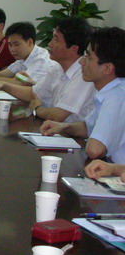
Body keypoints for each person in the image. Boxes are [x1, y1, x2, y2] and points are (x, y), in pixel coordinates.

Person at [0, 17, 95, 123]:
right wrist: (3, 85)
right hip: (54, 130)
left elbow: (58, 115)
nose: (50, 44)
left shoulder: (83, 75)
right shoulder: (57, 68)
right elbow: (33, 93)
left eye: (56, 40)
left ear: (73, 49)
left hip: (72, 138)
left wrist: (36, 109)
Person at [40, 27, 125, 163]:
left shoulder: (116, 97)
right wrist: (63, 126)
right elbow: (88, 127)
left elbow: (95, 150)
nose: (81, 62)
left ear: (107, 68)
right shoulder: (112, 90)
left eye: (89, 57)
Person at [0, 21, 56, 85]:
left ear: (29, 42)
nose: (12, 49)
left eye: (16, 44)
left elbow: (21, 83)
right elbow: (2, 74)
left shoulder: (41, 60)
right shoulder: (22, 58)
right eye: (10, 45)